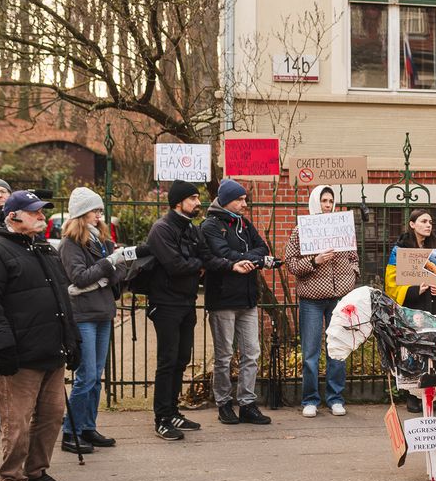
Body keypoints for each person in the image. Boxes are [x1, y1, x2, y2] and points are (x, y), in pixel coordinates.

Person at [0, 190, 79, 481]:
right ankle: (12, 480)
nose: (42, 218)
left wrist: (72, 338)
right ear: (14, 216)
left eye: (43, 212)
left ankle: (36, 472)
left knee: (51, 415)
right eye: (35, 213)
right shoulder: (1, 249)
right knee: (16, 422)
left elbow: (62, 299)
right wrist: (4, 345)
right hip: (20, 354)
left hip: (51, 350)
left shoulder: (44, 249)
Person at [145, 180, 243, 440]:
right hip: (165, 304)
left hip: (186, 303)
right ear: (178, 202)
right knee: (167, 361)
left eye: (198, 198)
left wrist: (221, 264)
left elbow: (206, 258)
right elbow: (175, 264)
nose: (198, 203)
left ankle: (173, 410)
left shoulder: (189, 228)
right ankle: (162, 418)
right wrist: (197, 264)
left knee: (180, 359)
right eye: (193, 198)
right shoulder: (161, 229)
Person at [57, 188, 129, 454]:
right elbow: (79, 276)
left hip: (103, 312)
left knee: (96, 376)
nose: (100, 216)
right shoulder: (70, 244)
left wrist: (107, 269)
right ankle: (70, 432)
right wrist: (107, 266)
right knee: (85, 376)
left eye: (100, 211)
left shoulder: (102, 241)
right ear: (80, 213)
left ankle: (88, 426)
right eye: (94, 211)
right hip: (84, 314)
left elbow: (120, 269)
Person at [200, 179, 271, 426]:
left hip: (248, 298)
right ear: (227, 200)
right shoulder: (210, 225)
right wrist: (247, 258)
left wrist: (248, 258)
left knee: (251, 352)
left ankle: (247, 403)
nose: (244, 203)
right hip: (223, 299)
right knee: (224, 355)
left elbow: (263, 248)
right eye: (239, 199)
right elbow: (222, 255)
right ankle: (223, 403)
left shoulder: (244, 224)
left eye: (244, 199)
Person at [283, 185, 359, 418]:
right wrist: (315, 261)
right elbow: (291, 264)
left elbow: (354, 256)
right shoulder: (301, 230)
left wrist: (353, 274)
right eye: (324, 200)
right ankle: (310, 399)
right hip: (312, 300)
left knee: (337, 349)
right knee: (310, 352)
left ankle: (335, 398)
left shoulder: (343, 228)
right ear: (316, 202)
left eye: (330, 201)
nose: (327, 205)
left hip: (339, 298)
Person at [384, 208, 436, 412]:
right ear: (412, 224)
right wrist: (415, 289)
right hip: (413, 305)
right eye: (424, 221)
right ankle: (412, 395)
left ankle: (434, 392)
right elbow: (391, 283)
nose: (428, 225)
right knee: (413, 348)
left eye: (431, 222)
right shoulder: (400, 250)